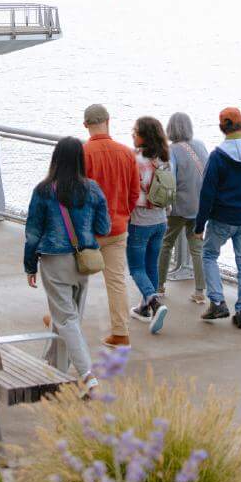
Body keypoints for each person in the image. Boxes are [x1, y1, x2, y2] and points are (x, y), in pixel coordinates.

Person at [22, 137, 110, 392]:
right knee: (69, 320)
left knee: (67, 320)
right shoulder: (93, 189)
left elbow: (33, 233)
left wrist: (30, 265)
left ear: (56, 158)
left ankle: (88, 377)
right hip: (83, 262)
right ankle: (55, 370)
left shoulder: (43, 191)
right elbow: (104, 227)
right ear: (81, 159)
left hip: (54, 262)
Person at [194, 106, 241, 329]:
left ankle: (217, 302)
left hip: (222, 218)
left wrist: (200, 225)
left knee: (209, 255)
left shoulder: (218, 156)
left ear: (221, 127)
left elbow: (207, 193)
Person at [81, 103, 142, 348]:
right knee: (116, 281)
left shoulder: (83, 153)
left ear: (85, 125)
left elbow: (76, 195)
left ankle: (60, 320)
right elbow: (134, 192)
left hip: (89, 230)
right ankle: (120, 332)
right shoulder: (126, 153)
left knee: (72, 275)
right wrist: (123, 214)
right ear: (108, 121)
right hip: (117, 227)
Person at [126, 115, 173, 334]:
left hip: (140, 221)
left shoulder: (135, 159)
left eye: (135, 131)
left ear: (144, 136)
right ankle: (145, 308)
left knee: (136, 268)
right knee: (151, 265)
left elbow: (130, 191)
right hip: (161, 220)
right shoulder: (165, 159)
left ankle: (154, 303)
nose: (132, 134)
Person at [166, 112, 210, 302]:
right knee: (197, 248)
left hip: (179, 207)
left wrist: (166, 205)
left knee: (165, 244)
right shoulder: (200, 145)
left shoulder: (171, 150)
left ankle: (159, 287)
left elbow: (170, 179)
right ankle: (200, 291)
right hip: (200, 205)